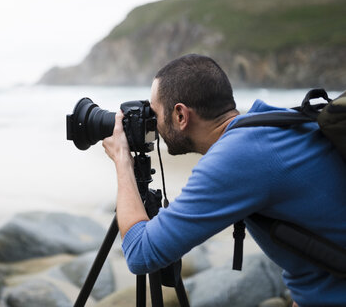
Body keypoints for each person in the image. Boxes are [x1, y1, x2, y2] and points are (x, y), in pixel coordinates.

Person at [102, 54, 346, 307]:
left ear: (181, 115)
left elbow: (141, 254)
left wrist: (122, 160)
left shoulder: (238, 157)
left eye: (155, 112)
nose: (153, 123)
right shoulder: (274, 122)